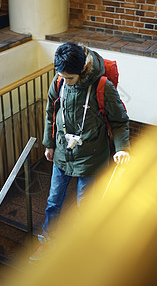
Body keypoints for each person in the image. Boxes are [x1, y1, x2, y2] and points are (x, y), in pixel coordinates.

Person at [30, 42, 130, 261]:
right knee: (53, 201)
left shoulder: (103, 87)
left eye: (70, 78)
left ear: (83, 69)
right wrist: (49, 144)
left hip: (92, 157)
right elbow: (51, 114)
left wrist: (122, 149)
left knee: (86, 207)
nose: (65, 81)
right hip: (63, 154)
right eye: (62, 76)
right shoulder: (59, 83)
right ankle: (47, 241)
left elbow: (120, 121)